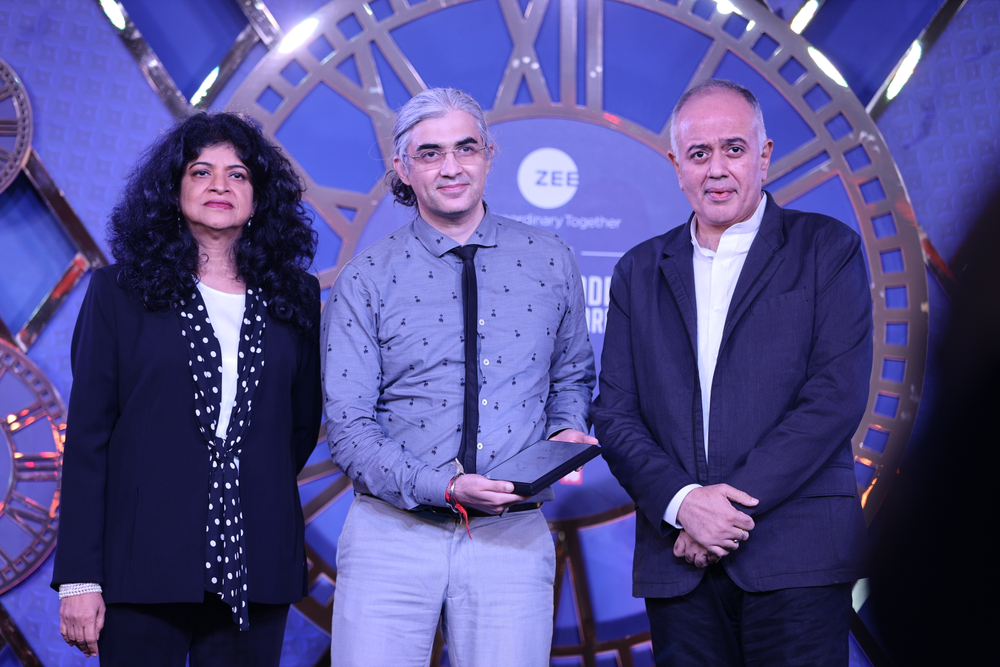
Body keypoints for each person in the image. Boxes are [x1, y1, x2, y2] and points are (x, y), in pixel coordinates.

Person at [592, 79, 871, 666]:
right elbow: (615, 416)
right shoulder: (638, 271)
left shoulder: (826, 247)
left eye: (734, 149)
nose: (717, 169)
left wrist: (721, 513)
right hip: (679, 566)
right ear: (677, 167)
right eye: (699, 154)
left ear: (763, 156)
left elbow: (834, 397)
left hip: (796, 558)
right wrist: (683, 504)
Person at [321, 87, 596, 667]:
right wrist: (441, 487)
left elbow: (572, 374)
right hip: (390, 534)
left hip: (512, 535)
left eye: (466, 148)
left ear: (489, 155)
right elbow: (348, 427)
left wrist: (566, 431)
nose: (451, 167)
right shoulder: (366, 277)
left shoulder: (550, 258)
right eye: (430, 153)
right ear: (402, 167)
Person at [52, 112, 322, 666]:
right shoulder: (117, 292)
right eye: (201, 171)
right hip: (141, 564)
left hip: (257, 561)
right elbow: (87, 442)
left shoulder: (296, 296)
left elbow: (297, 428)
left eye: (238, 174)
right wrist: (79, 577)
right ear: (172, 190)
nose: (220, 185)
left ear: (259, 196)